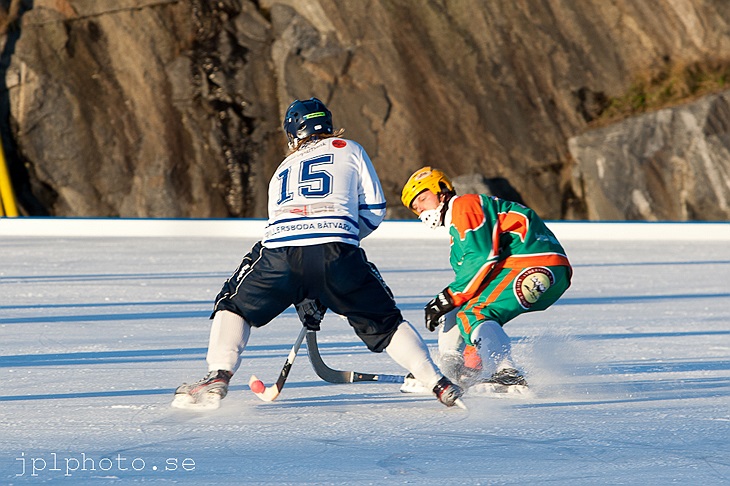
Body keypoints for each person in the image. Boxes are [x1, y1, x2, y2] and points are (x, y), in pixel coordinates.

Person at [174, 99, 463, 408]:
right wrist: (339, 246)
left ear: (292, 134)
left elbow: (278, 222)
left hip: (280, 253)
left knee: (233, 304)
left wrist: (303, 285)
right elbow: (375, 209)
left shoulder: (282, 167)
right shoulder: (349, 148)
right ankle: (437, 382)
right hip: (338, 252)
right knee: (386, 322)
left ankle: (218, 374)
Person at [399, 166, 572, 392]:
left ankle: (507, 373)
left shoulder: (465, 206)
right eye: (414, 206)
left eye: (422, 198)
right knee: (461, 309)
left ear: (442, 191)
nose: (420, 208)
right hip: (540, 267)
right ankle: (451, 368)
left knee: (474, 311)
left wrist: (447, 297)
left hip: (534, 262)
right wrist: (471, 364)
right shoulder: (458, 231)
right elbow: (469, 289)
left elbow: (482, 257)